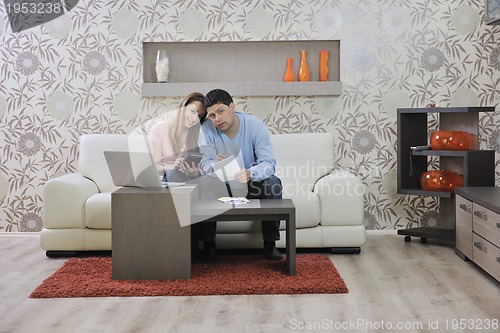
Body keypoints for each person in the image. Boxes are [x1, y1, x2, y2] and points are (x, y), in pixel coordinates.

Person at [195, 88, 283, 261]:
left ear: (232, 107)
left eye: (220, 111)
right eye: (212, 115)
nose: (217, 119)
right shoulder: (206, 129)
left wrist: (251, 173)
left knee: (273, 183)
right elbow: (204, 164)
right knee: (203, 182)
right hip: (220, 185)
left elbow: (268, 162)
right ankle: (208, 244)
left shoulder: (254, 125)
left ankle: (270, 244)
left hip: (251, 183)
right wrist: (215, 165)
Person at [149, 92, 207, 182]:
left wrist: (193, 173)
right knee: (172, 173)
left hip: (187, 181)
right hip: (166, 181)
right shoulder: (159, 129)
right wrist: (174, 167)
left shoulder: (199, 134)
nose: (195, 119)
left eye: (200, 116)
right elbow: (155, 168)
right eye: (193, 111)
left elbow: (199, 169)